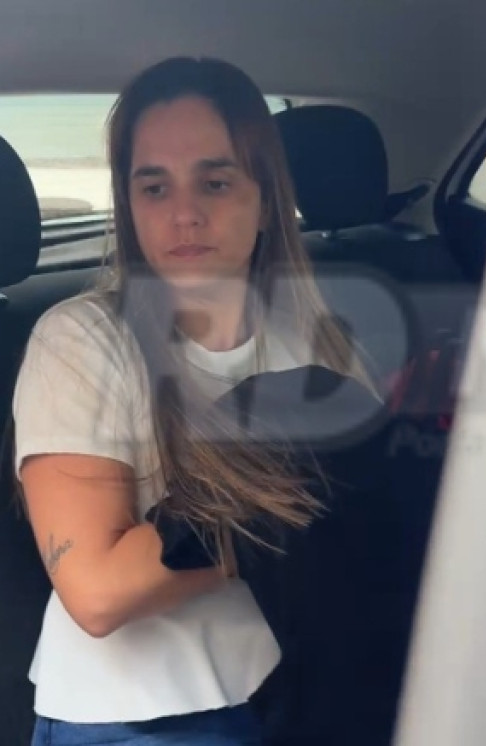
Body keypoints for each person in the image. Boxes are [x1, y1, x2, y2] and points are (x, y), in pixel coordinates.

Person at [12, 56, 371, 745]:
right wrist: (287, 491)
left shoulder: (322, 338)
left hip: (297, 684)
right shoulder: (81, 341)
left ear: (266, 199)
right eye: (154, 187)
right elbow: (96, 591)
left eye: (215, 181)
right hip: (132, 716)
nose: (184, 214)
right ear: (129, 205)